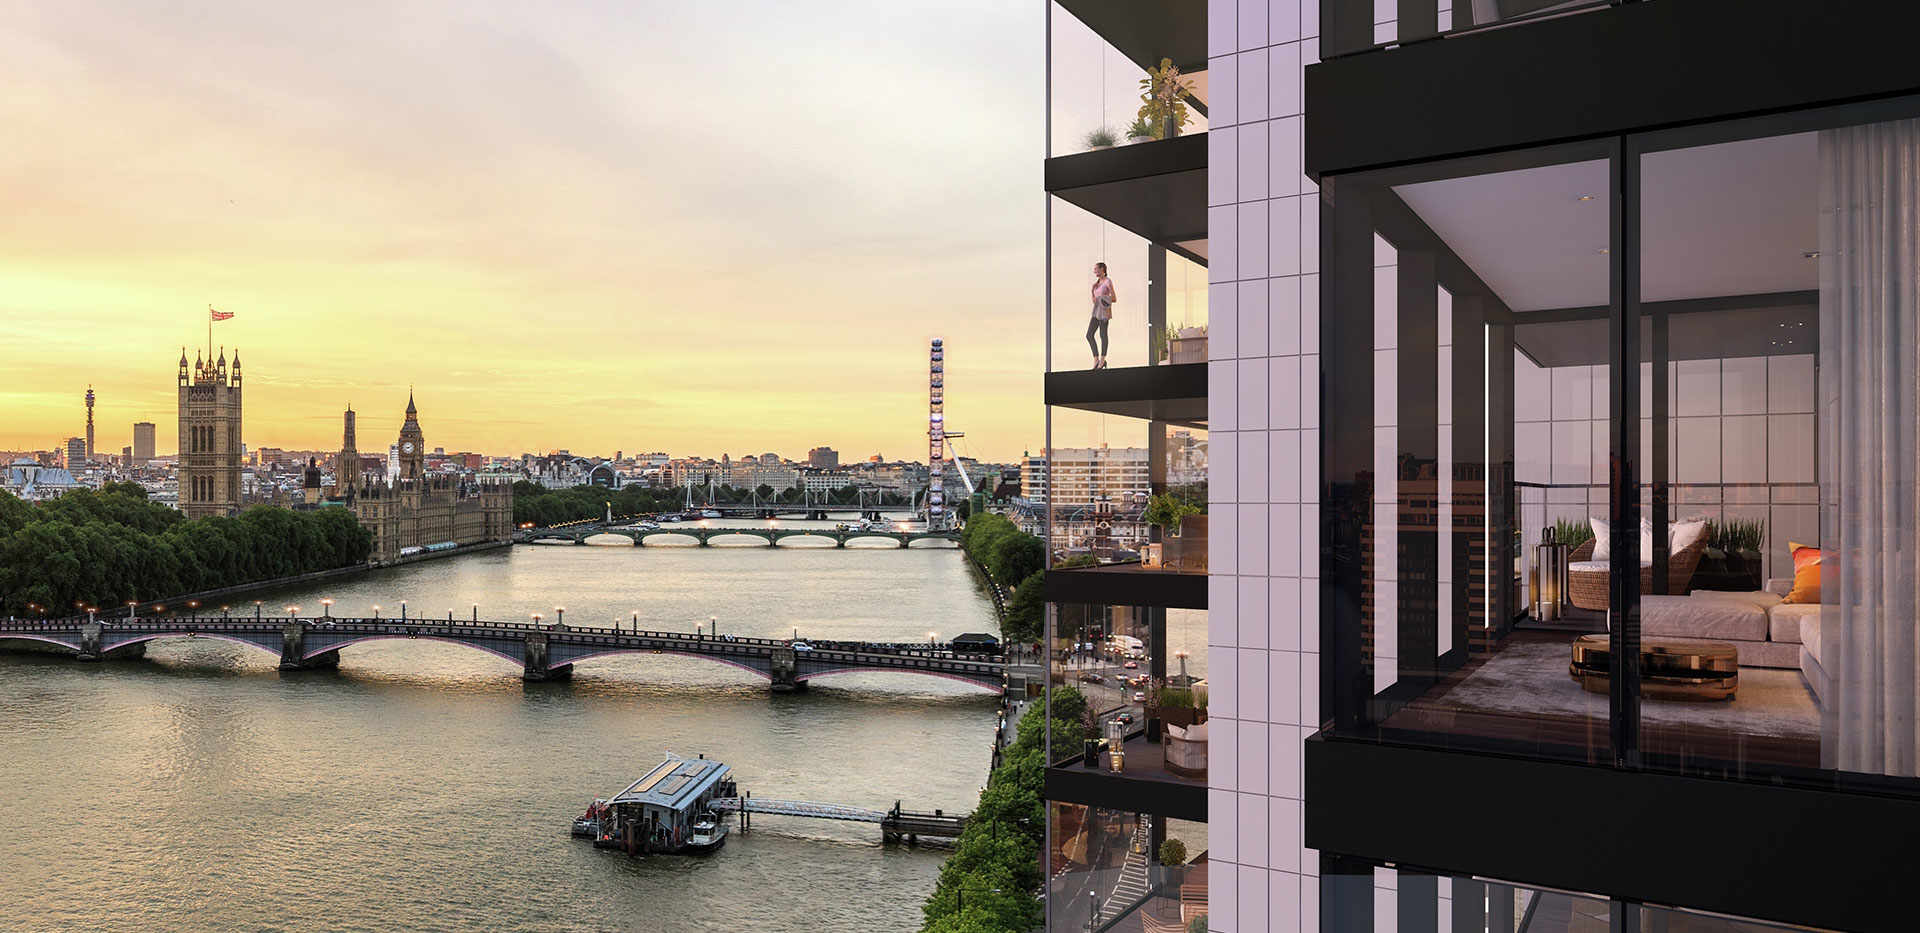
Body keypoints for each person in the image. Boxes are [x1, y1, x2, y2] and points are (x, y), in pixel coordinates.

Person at [1087, 262, 1116, 368]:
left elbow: (1114, 298)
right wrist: (1092, 291)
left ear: (1102, 269)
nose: (1094, 271)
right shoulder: (1097, 283)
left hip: (1104, 311)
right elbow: (1094, 300)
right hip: (1096, 311)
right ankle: (1096, 358)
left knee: (1103, 335)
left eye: (1096, 269)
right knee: (1089, 335)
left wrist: (1102, 298)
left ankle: (1102, 360)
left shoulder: (1108, 282)